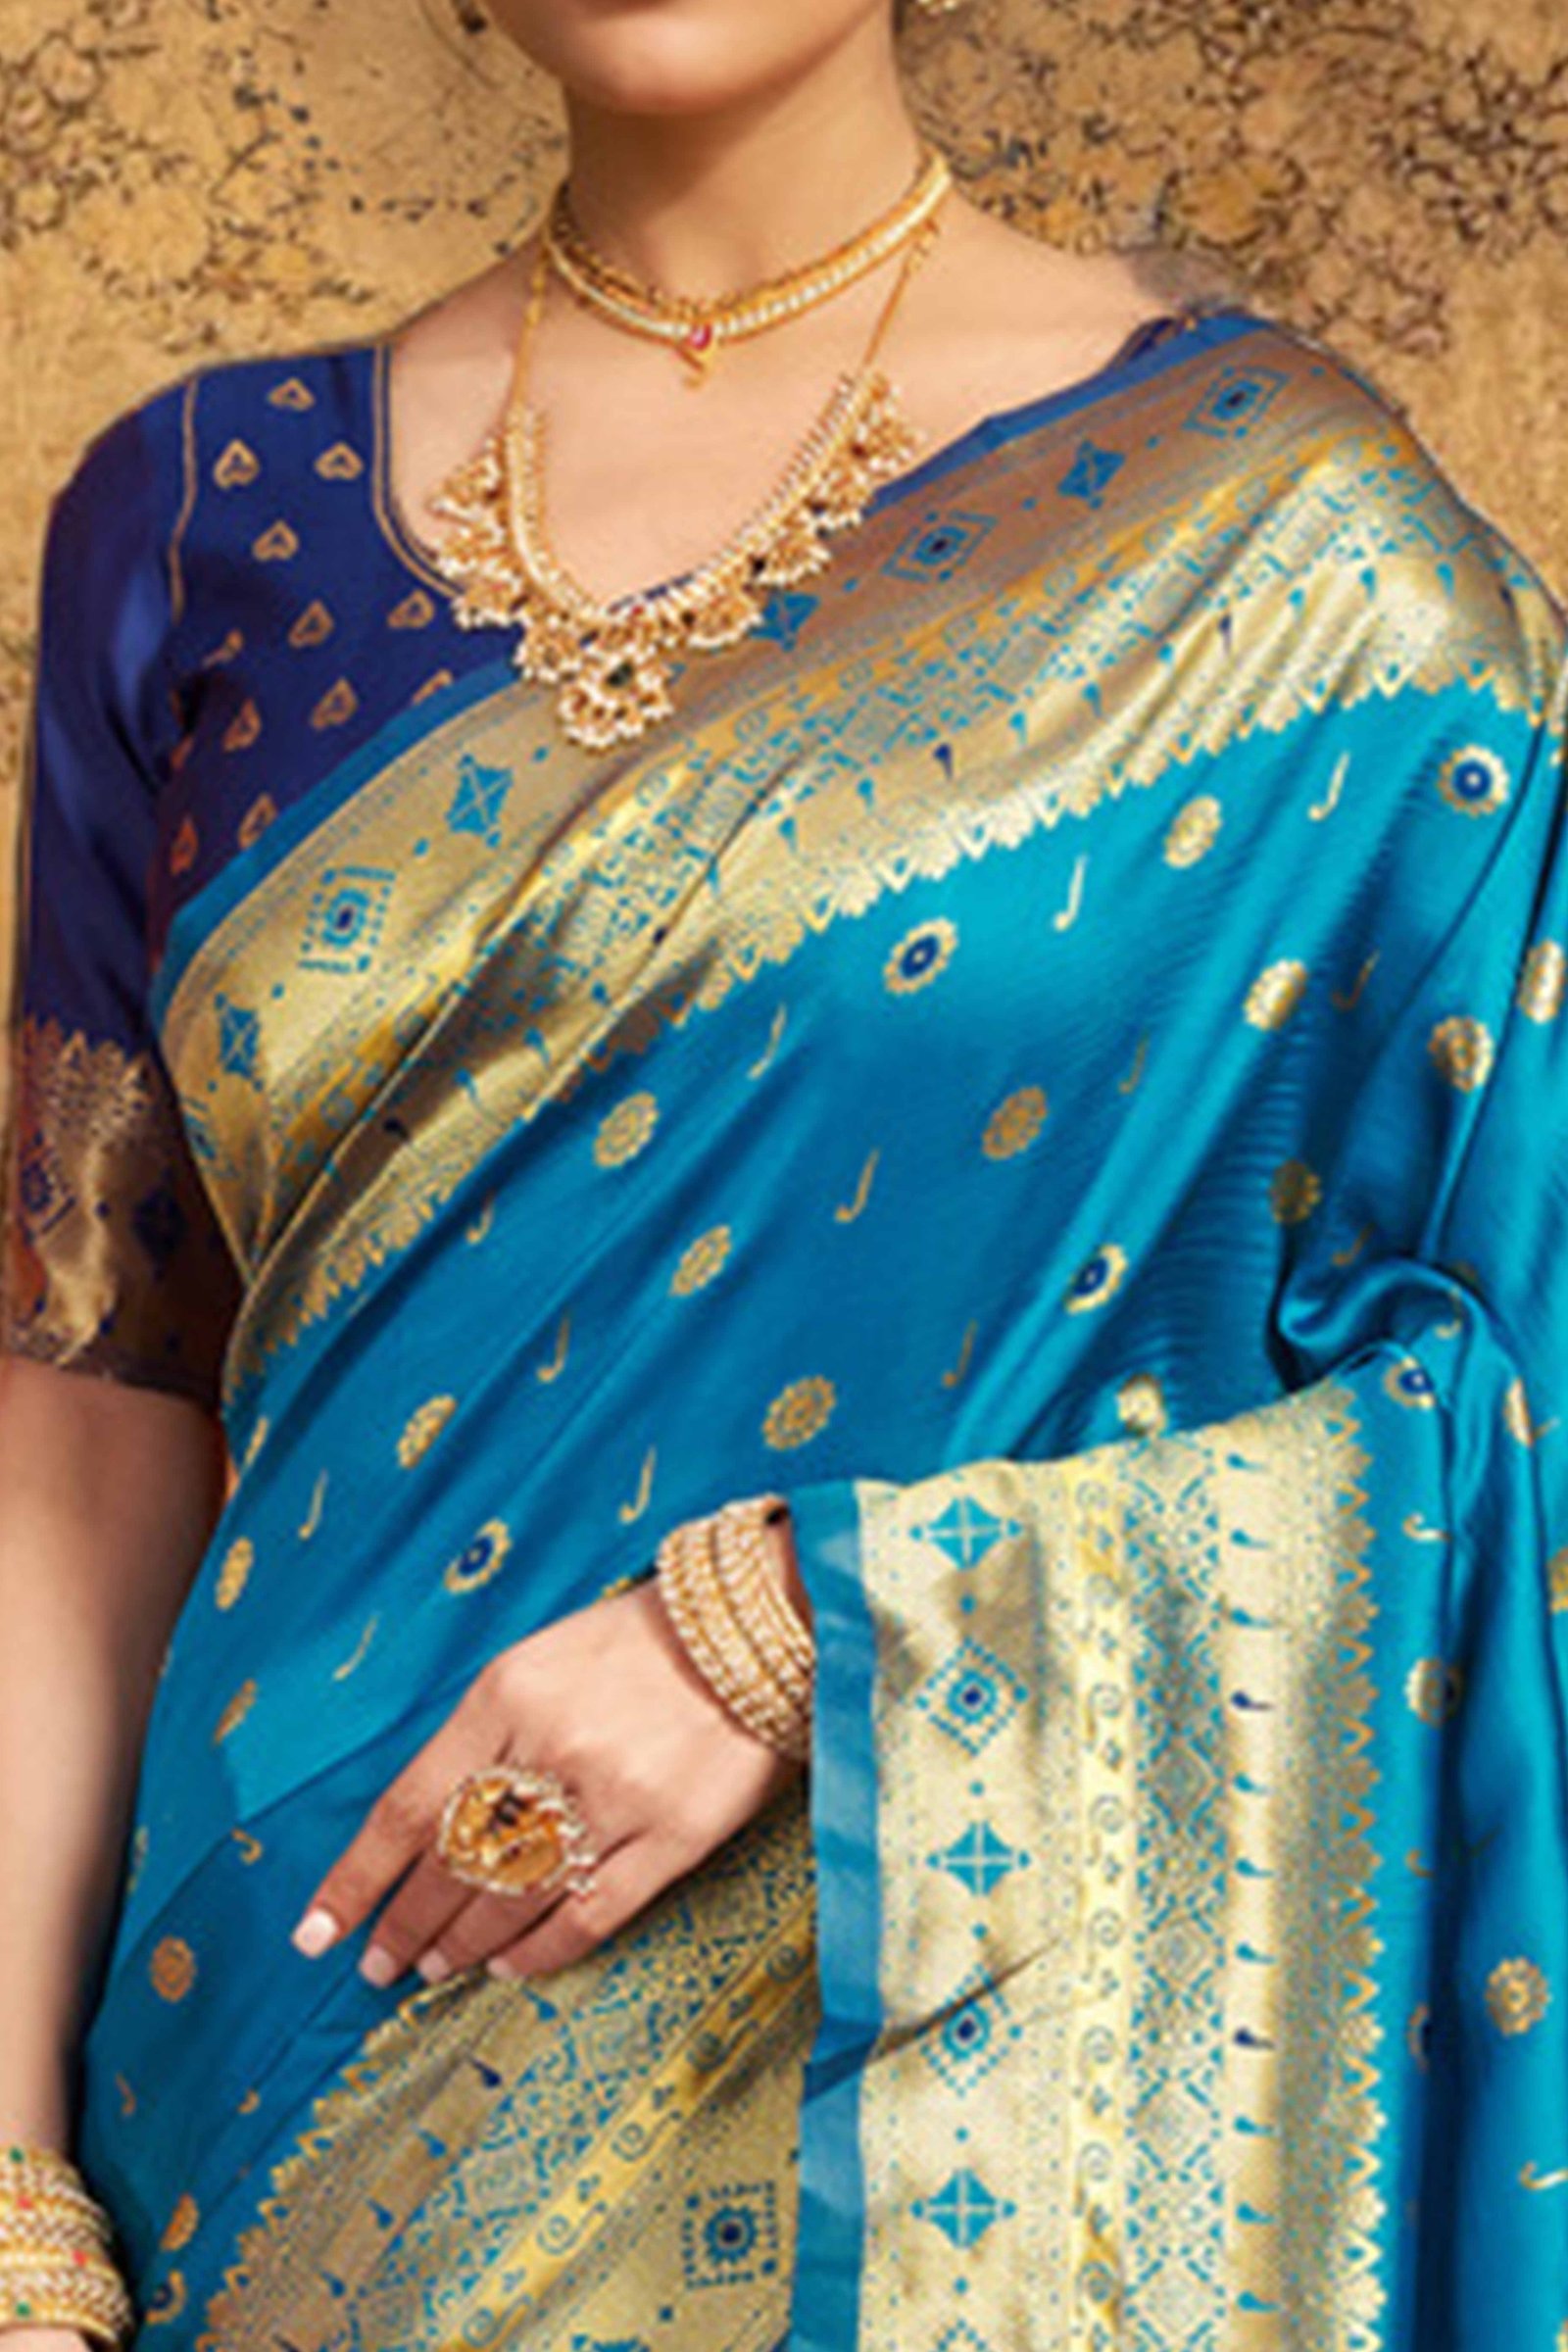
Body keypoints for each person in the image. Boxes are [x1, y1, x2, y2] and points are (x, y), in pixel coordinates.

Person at [1, 0, 1565, 2343]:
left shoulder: (1298, 555)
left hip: (952, 2092)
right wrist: (12, 2187)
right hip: (279, 2064)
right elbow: (89, 1413)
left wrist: (826, 1624)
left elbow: (1501, 1397)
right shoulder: (199, 518)